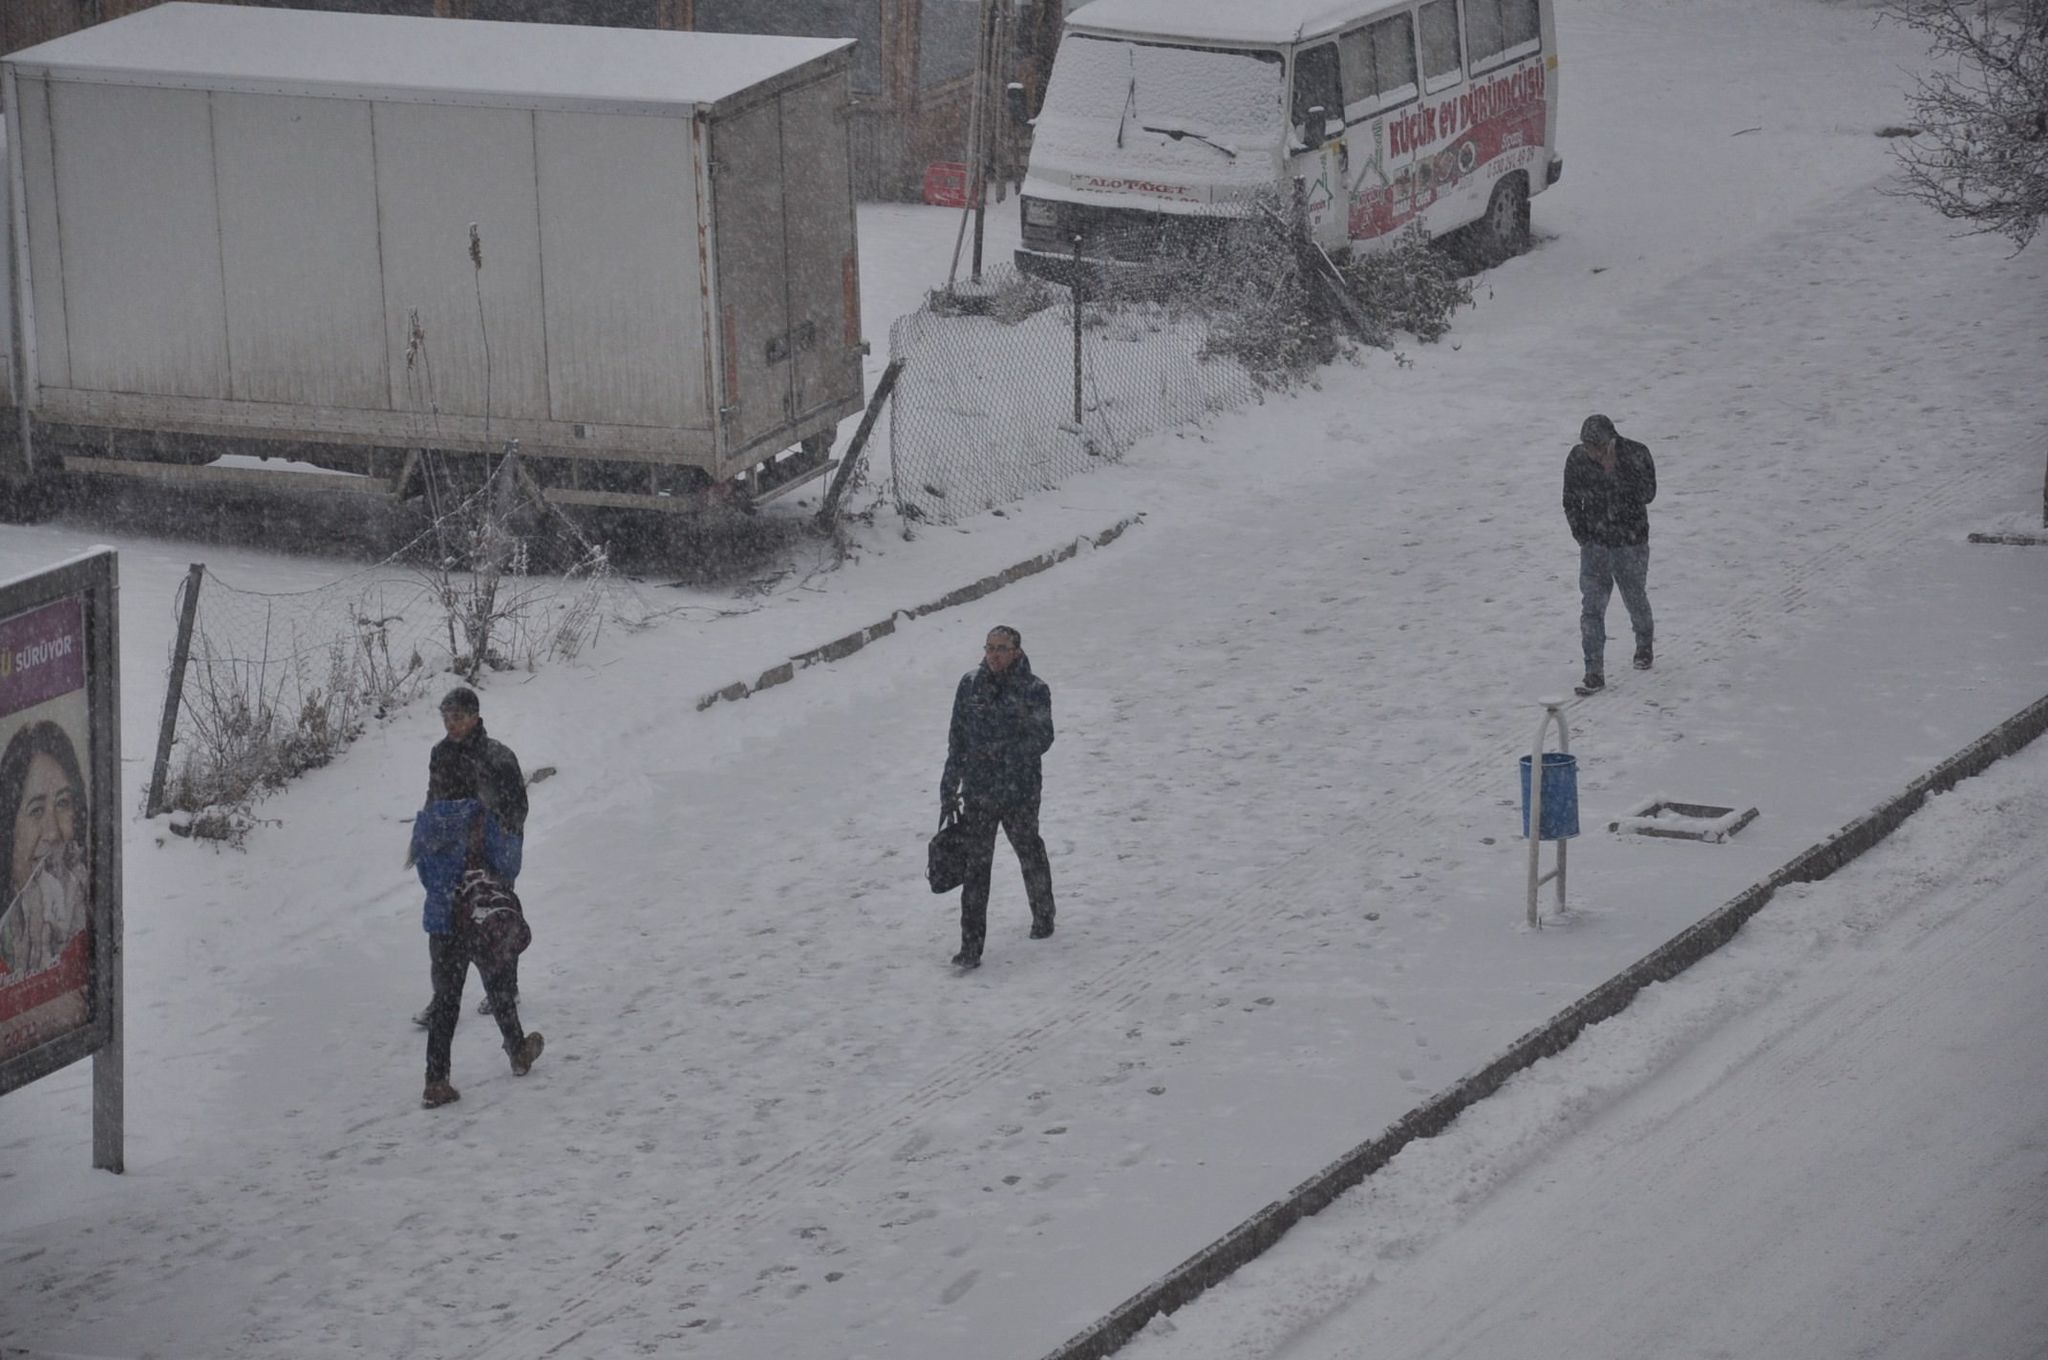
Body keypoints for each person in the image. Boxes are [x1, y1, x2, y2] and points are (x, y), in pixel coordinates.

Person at [409, 687, 541, 1108]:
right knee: (454, 989)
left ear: (475, 716)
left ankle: (512, 1051)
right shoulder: (441, 755)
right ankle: (439, 1080)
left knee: (487, 979)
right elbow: (434, 807)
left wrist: (485, 841)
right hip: (457, 887)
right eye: (446, 717)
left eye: (457, 716)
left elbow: (515, 815)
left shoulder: (498, 758)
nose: (451, 724)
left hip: (477, 885)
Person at [939, 626, 1056, 969]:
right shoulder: (970, 685)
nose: (994, 654)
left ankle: (1043, 915)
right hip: (979, 792)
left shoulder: (1034, 689)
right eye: (989, 648)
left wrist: (1002, 752)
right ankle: (970, 947)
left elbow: (1043, 737)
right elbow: (957, 739)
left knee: (1029, 850)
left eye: (1001, 648)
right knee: (976, 869)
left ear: (1016, 651)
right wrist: (949, 785)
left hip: (1020, 790)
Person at [1562, 412, 1657, 694]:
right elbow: (1570, 500)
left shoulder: (1636, 454)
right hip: (1595, 546)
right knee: (1591, 609)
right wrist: (1582, 535)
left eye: (1597, 448)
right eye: (1588, 448)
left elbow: (1648, 494)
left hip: (1630, 543)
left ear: (1611, 441)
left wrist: (1616, 471)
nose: (1592, 453)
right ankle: (1593, 671)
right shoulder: (1577, 459)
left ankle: (1644, 643)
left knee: (1634, 597)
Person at [0, 720, 90, 979]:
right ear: (9, 828)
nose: (53, 832)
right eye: (36, 810)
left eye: (63, 803)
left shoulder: (96, 912)